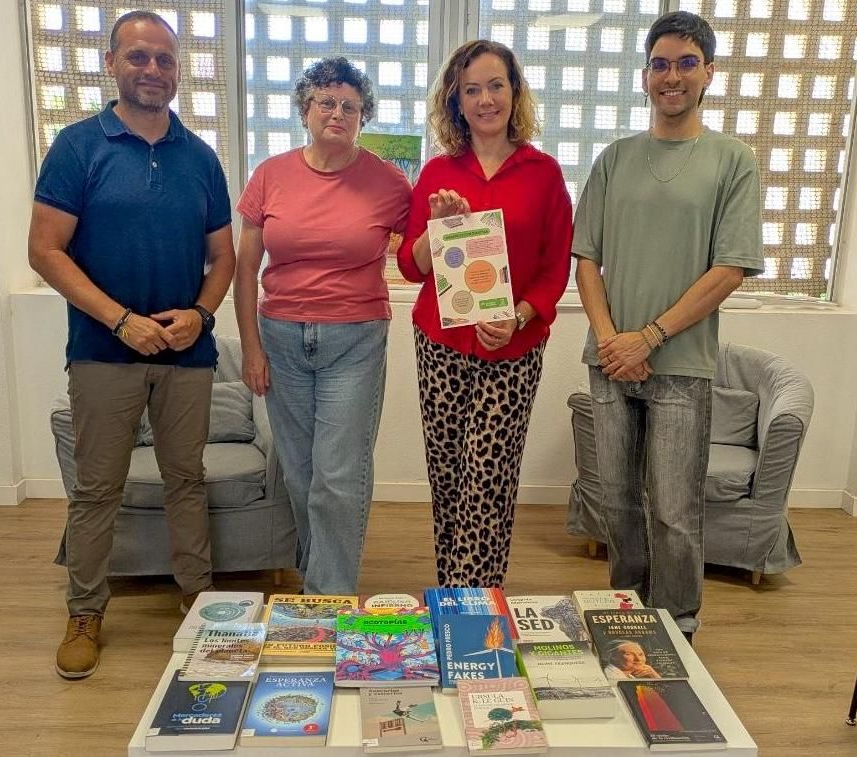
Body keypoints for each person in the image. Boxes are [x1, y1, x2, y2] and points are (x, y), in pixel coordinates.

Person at [29, 11, 235, 679]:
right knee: (97, 489)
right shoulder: (77, 146)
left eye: (165, 59)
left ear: (179, 71)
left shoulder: (200, 158)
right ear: (112, 62)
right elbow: (45, 251)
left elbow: (223, 257)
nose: (153, 70)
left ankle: (198, 604)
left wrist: (201, 316)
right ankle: (84, 611)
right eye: (139, 56)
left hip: (186, 356)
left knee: (186, 481)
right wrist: (122, 320)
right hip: (102, 351)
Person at [572, 11, 764, 642]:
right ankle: (626, 617)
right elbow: (588, 259)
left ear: (709, 72)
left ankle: (679, 625)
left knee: (677, 512)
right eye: (659, 64)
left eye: (686, 63)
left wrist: (647, 337)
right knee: (620, 507)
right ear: (645, 75)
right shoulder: (615, 158)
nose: (671, 76)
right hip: (611, 361)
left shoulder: (732, 160)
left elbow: (730, 267)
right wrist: (610, 341)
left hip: (679, 365)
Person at [397, 40, 573, 588]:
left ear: (514, 93)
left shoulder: (543, 173)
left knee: (488, 477)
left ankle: (473, 599)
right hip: (441, 344)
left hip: (513, 348)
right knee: (449, 476)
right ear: (457, 100)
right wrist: (435, 227)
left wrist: (519, 316)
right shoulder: (437, 172)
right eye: (472, 89)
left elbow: (555, 267)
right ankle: (457, 593)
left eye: (496, 86)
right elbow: (411, 266)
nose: (485, 99)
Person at [233, 57, 411, 595]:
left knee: (337, 477)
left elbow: (420, 256)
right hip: (281, 338)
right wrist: (250, 347)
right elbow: (245, 269)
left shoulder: (389, 182)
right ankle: (320, 577)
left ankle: (327, 602)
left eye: (350, 106)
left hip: (354, 340)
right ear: (305, 111)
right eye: (326, 102)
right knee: (302, 475)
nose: (337, 113)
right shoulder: (270, 174)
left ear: (363, 118)